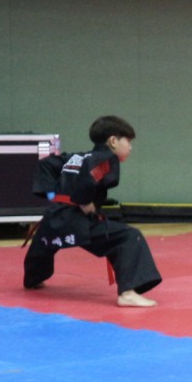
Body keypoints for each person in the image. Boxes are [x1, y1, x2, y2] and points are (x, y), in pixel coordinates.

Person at [22, 115, 162, 307]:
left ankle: (33, 278)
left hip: (53, 219)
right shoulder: (107, 159)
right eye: (128, 141)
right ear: (113, 141)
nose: (130, 147)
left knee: (43, 243)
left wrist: (52, 196)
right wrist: (85, 200)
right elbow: (90, 179)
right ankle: (128, 293)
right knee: (130, 237)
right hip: (76, 221)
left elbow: (44, 164)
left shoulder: (76, 158)